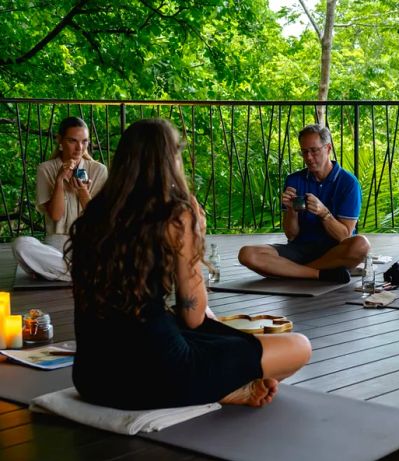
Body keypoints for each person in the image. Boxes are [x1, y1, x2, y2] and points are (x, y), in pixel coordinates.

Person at [68, 119, 311, 410]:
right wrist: (195, 235)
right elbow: (193, 316)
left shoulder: (93, 215)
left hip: (93, 378)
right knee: (298, 346)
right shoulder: (175, 215)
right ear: (170, 159)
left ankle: (225, 388)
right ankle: (219, 387)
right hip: (160, 377)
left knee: (212, 334)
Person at [238, 124, 369, 283]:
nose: (309, 157)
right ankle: (318, 273)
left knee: (361, 245)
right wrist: (291, 210)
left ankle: (292, 271)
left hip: (334, 251)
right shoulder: (294, 180)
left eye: (314, 150)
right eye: (304, 152)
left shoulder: (348, 183)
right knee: (247, 254)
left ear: (328, 148)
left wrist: (324, 213)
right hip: (299, 249)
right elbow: (291, 234)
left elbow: (345, 236)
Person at [12, 116, 107, 281]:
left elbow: (99, 218)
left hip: (88, 242)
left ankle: (56, 271)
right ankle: (81, 273)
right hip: (57, 244)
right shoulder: (46, 169)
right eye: (72, 141)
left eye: (84, 142)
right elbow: (56, 216)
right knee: (20, 244)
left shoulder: (98, 170)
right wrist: (59, 182)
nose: (79, 148)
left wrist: (83, 192)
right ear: (60, 141)